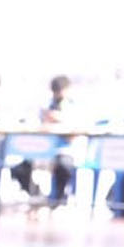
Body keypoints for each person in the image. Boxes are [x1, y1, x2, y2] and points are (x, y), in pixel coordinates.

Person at [9, 75, 76, 207]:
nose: (58, 94)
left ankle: (57, 201)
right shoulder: (45, 106)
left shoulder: (73, 108)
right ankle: (36, 195)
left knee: (64, 167)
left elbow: (73, 135)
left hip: (62, 150)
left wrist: (61, 121)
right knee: (18, 170)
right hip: (41, 150)